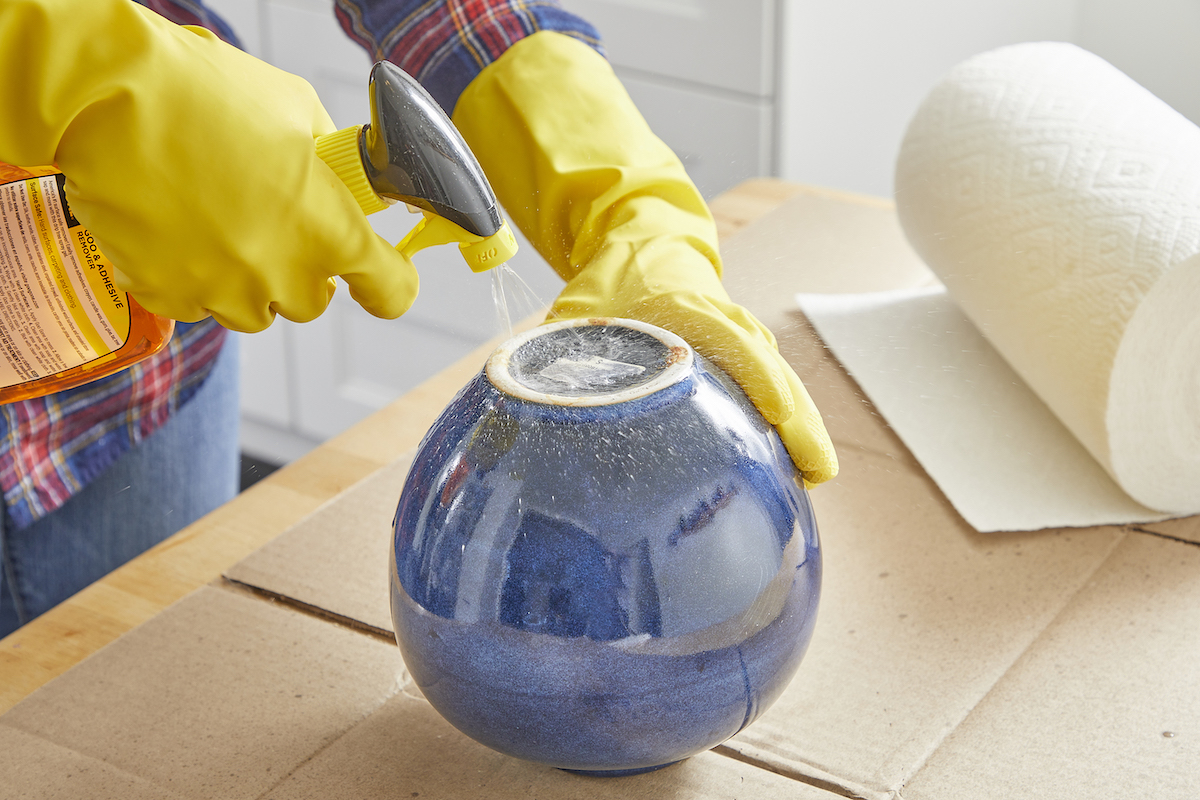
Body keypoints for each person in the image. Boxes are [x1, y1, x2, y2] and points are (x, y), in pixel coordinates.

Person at [0, 0, 837, 638]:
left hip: (116, 377)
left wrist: (629, 207)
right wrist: (45, 63)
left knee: (145, 675)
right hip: (84, 280)